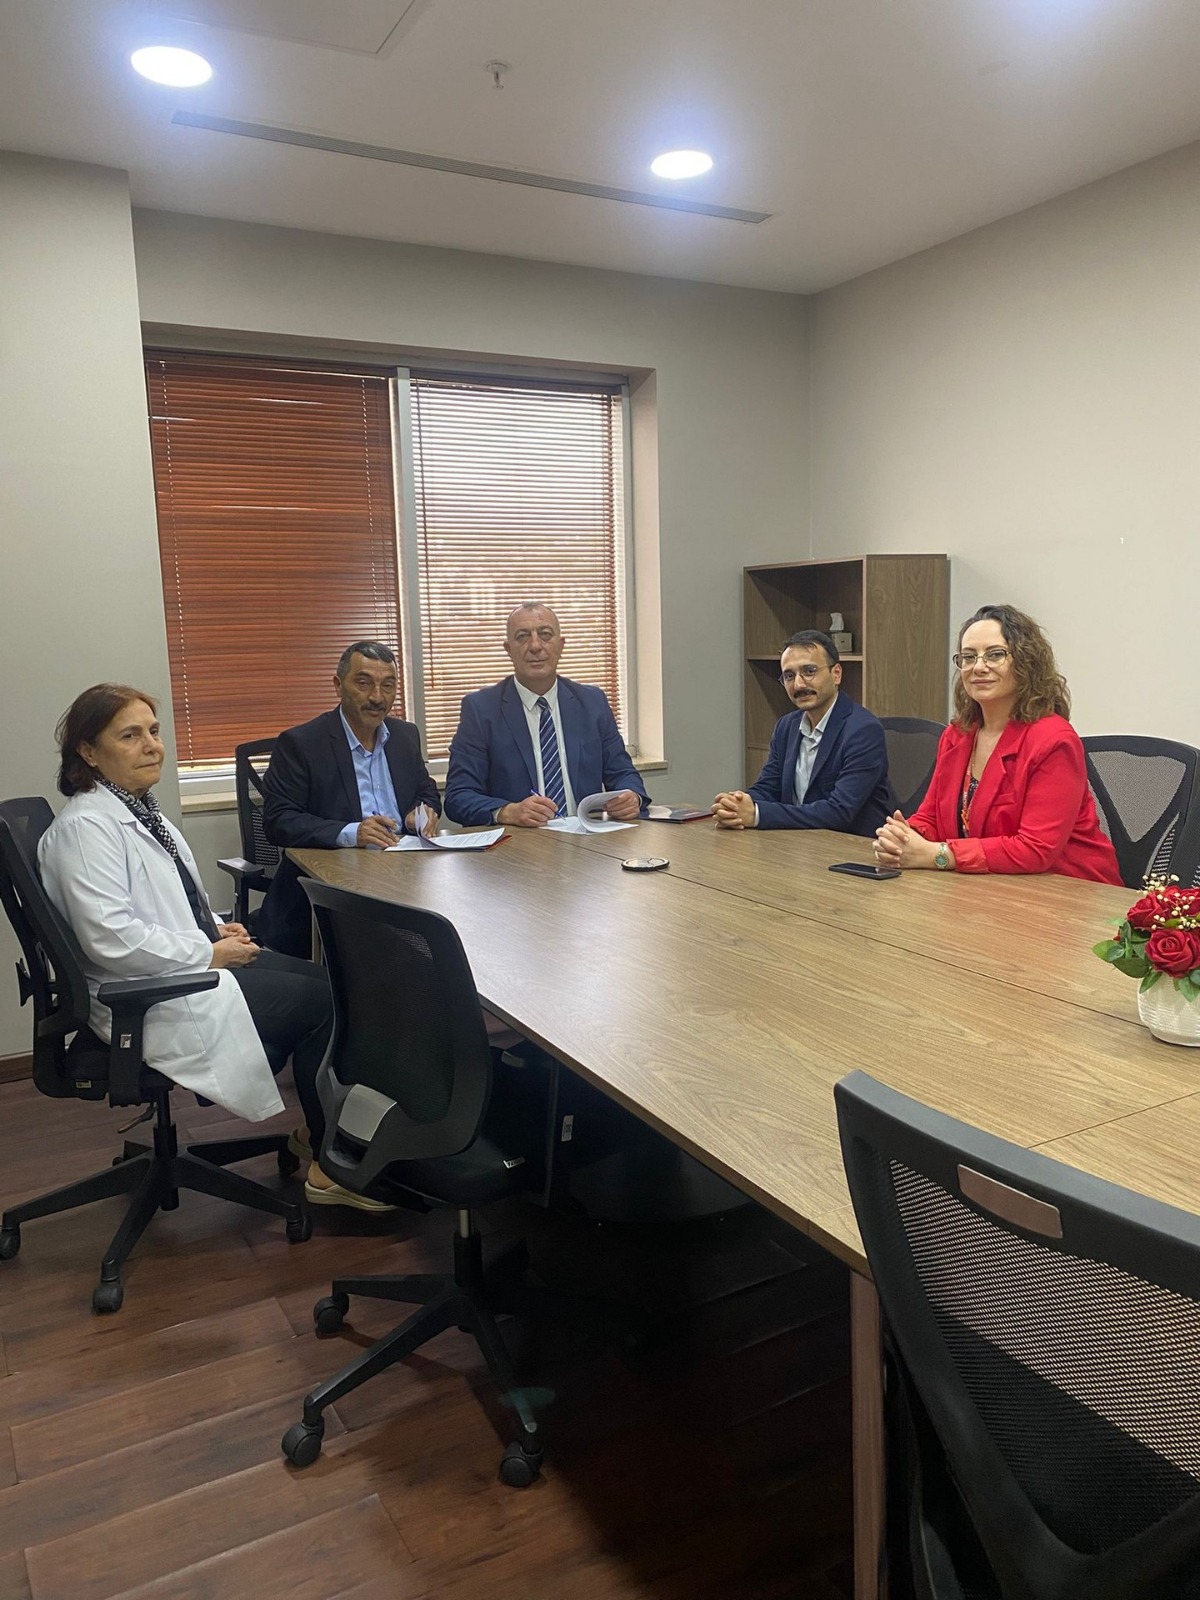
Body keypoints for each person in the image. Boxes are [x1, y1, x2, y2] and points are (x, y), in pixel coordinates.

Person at [37, 684, 384, 1210]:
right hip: (148, 996)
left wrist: (213, 930)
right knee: (329, 1006)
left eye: (154, 731)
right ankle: (328, 1164)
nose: (151, 745)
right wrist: (207, 954)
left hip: (175, 970)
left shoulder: (137, 810)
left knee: (333, 985)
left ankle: (317, 1134)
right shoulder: (85, 829)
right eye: (129, 736)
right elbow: (110, 938)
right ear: (88, 751)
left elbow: (159, 903)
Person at [872, 604, 1121, 882]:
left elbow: (1035, 849)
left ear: (1025, 662)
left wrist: (938, 855)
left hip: (1069, 888)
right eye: (969, 657)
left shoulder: (1054, 740)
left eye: (995, 655)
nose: (979, 667)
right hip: (987, 884)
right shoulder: (957, 735)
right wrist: (904, 838)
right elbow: (931, 817)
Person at [258, 641, 441, 958]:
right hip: (329, 895)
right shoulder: (302, 743)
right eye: (364, 683)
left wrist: (421, 812)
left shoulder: (405, 736)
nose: (377, 697)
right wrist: (352, 832)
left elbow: (426, 791)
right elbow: (279, 820)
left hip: (404, 880)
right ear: (338, 685)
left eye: (388, 685)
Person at [444, 603, 648, 828]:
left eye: (545, 635)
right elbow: (459, 795)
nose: (535, 646)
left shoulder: (592, 702)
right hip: (520, 842)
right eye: (522, 637)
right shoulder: (481, 709)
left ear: (561, 645)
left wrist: (632, 797)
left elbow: (623, 772)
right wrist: (507, 811)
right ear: (508, 649)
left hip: (589, 838)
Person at [713, 629, 889, 834]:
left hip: (848, 846)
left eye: (809, 671)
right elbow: (769, 787)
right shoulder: (786, 726)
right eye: (789, 676)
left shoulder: (863, 730)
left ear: (836, 674)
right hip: (797, 841)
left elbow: (839, 811)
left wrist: (757, 814)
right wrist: (736, 805)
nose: (798, 684)